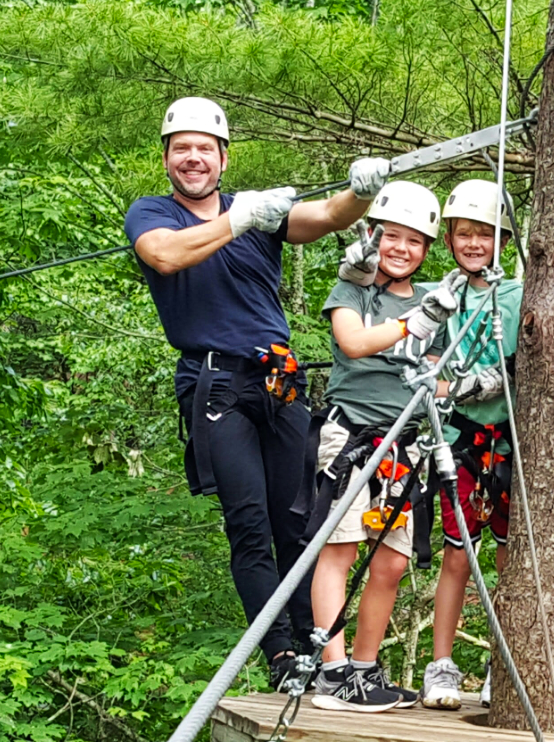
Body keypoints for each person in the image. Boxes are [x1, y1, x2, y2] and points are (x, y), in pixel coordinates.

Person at [124, 96, 392, 690]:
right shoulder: (152, 214)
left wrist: (363, 194)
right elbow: (165, 257)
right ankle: (278, 655)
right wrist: (240, 218)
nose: (193, 159)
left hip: (278, 381)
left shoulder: (261, 211)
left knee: (298, 523)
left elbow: (325, 216)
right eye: (181, 149)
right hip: (217, 383)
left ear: (223, 158)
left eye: (204, 149)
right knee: (249, 525)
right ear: (167, 158)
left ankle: (316, 649)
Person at [303, 182, 465, 711]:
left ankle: (365, 669)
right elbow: (352, 341)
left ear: (427, 250)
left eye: (414, 242)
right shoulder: (352, 290)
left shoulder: (435, 300)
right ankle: (332, 669)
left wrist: (460, 382)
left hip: (404, 447)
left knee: (391, 564)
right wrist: (409, 326)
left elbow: (437, 376)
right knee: (340, 549)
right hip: (351, 436)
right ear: (373, 236)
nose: (401, 248)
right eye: (391, 236)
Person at [420, 179, 522, 710]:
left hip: (509, 440)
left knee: (510, 557)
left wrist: (490, 378)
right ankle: (441, 665)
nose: (475, 243)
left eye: (485, 234)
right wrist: (451, 382)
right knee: (458, 554)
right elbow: (421, 360)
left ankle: (499, 665)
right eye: (464, 234)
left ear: (503, 239)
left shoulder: (518, 293)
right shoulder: (441, 297)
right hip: (461, 437)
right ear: (450, 240)